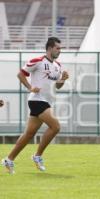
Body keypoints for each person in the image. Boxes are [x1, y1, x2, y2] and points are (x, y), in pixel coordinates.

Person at [1, 37, 69, 174]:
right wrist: (30, 87)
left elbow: (58, 86)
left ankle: (9, 159)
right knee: (55, 126)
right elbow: (20, 74)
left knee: (29, 134)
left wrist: (63, 79)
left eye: (60, 48)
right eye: (57, 48)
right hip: (37, 100)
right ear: (50, 48)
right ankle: (37, 156)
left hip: (46, 101)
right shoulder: (37, 61)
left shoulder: (58, 66)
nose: (59, 51)